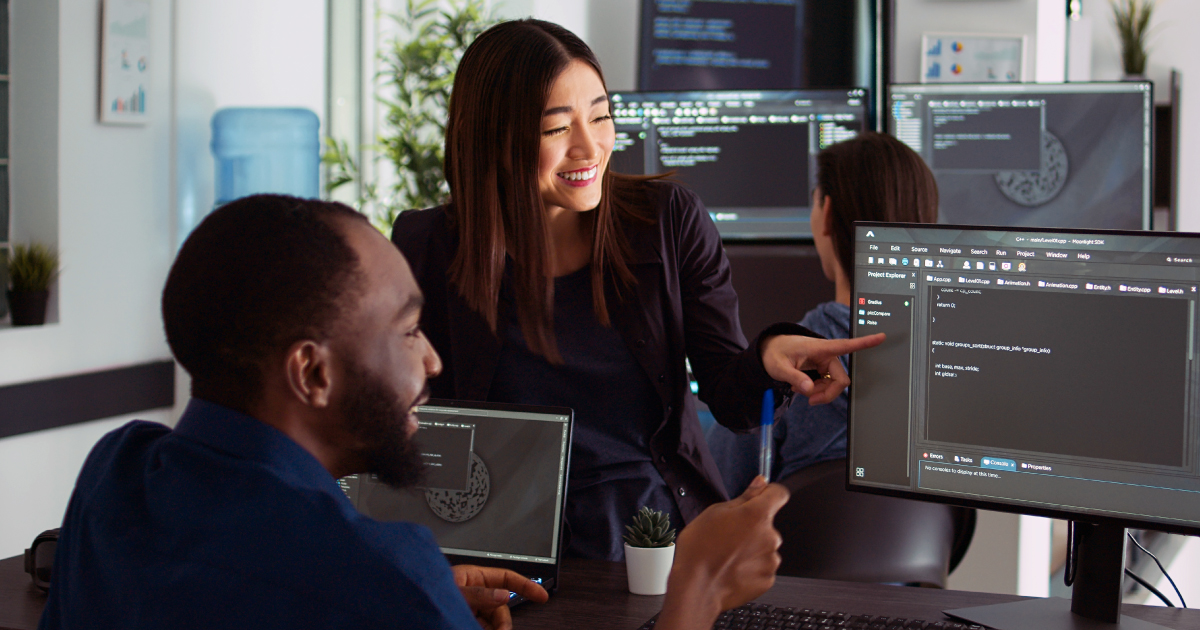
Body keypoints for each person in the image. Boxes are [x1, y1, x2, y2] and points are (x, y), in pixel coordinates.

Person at [39, 194, 792, 630]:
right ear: (312, 373)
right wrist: (698, 590)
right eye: (406, 331)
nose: (432, 361)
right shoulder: (382, 581)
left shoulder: (116, 474)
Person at [391, 19, 884, 562]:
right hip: (500, 543)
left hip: (653, 533)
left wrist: (768, 354)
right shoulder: (429, 245)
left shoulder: (669, 221)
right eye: (557, 128)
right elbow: (410, 418)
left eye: (601, 116)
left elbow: (730, 398)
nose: (590, 146)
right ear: (494, 138)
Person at [707, 131, 939, 494]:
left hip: (798, 552)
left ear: (826, 212)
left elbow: (712, 491)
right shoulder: (954, 366)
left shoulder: (786, 367)